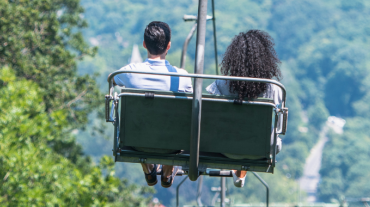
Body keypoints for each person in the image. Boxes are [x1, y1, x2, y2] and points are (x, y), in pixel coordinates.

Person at [113, 21, 191, 188]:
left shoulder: (130, 72)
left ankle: (148, 168)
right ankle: (167, 171)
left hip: (137, 142)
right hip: (172, 145)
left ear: (144, 44)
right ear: (168, 46)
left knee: (142, 121)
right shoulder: (182, 77)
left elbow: (113, 79)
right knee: (173, 120)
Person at [205, 29, 283, 188]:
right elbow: (279, 125)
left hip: (224, 146)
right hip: (259, 148)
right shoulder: (273, 88)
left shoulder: (221, 84)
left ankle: (238, 168)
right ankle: (241, 170)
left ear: (233, 58)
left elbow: (211, 114)